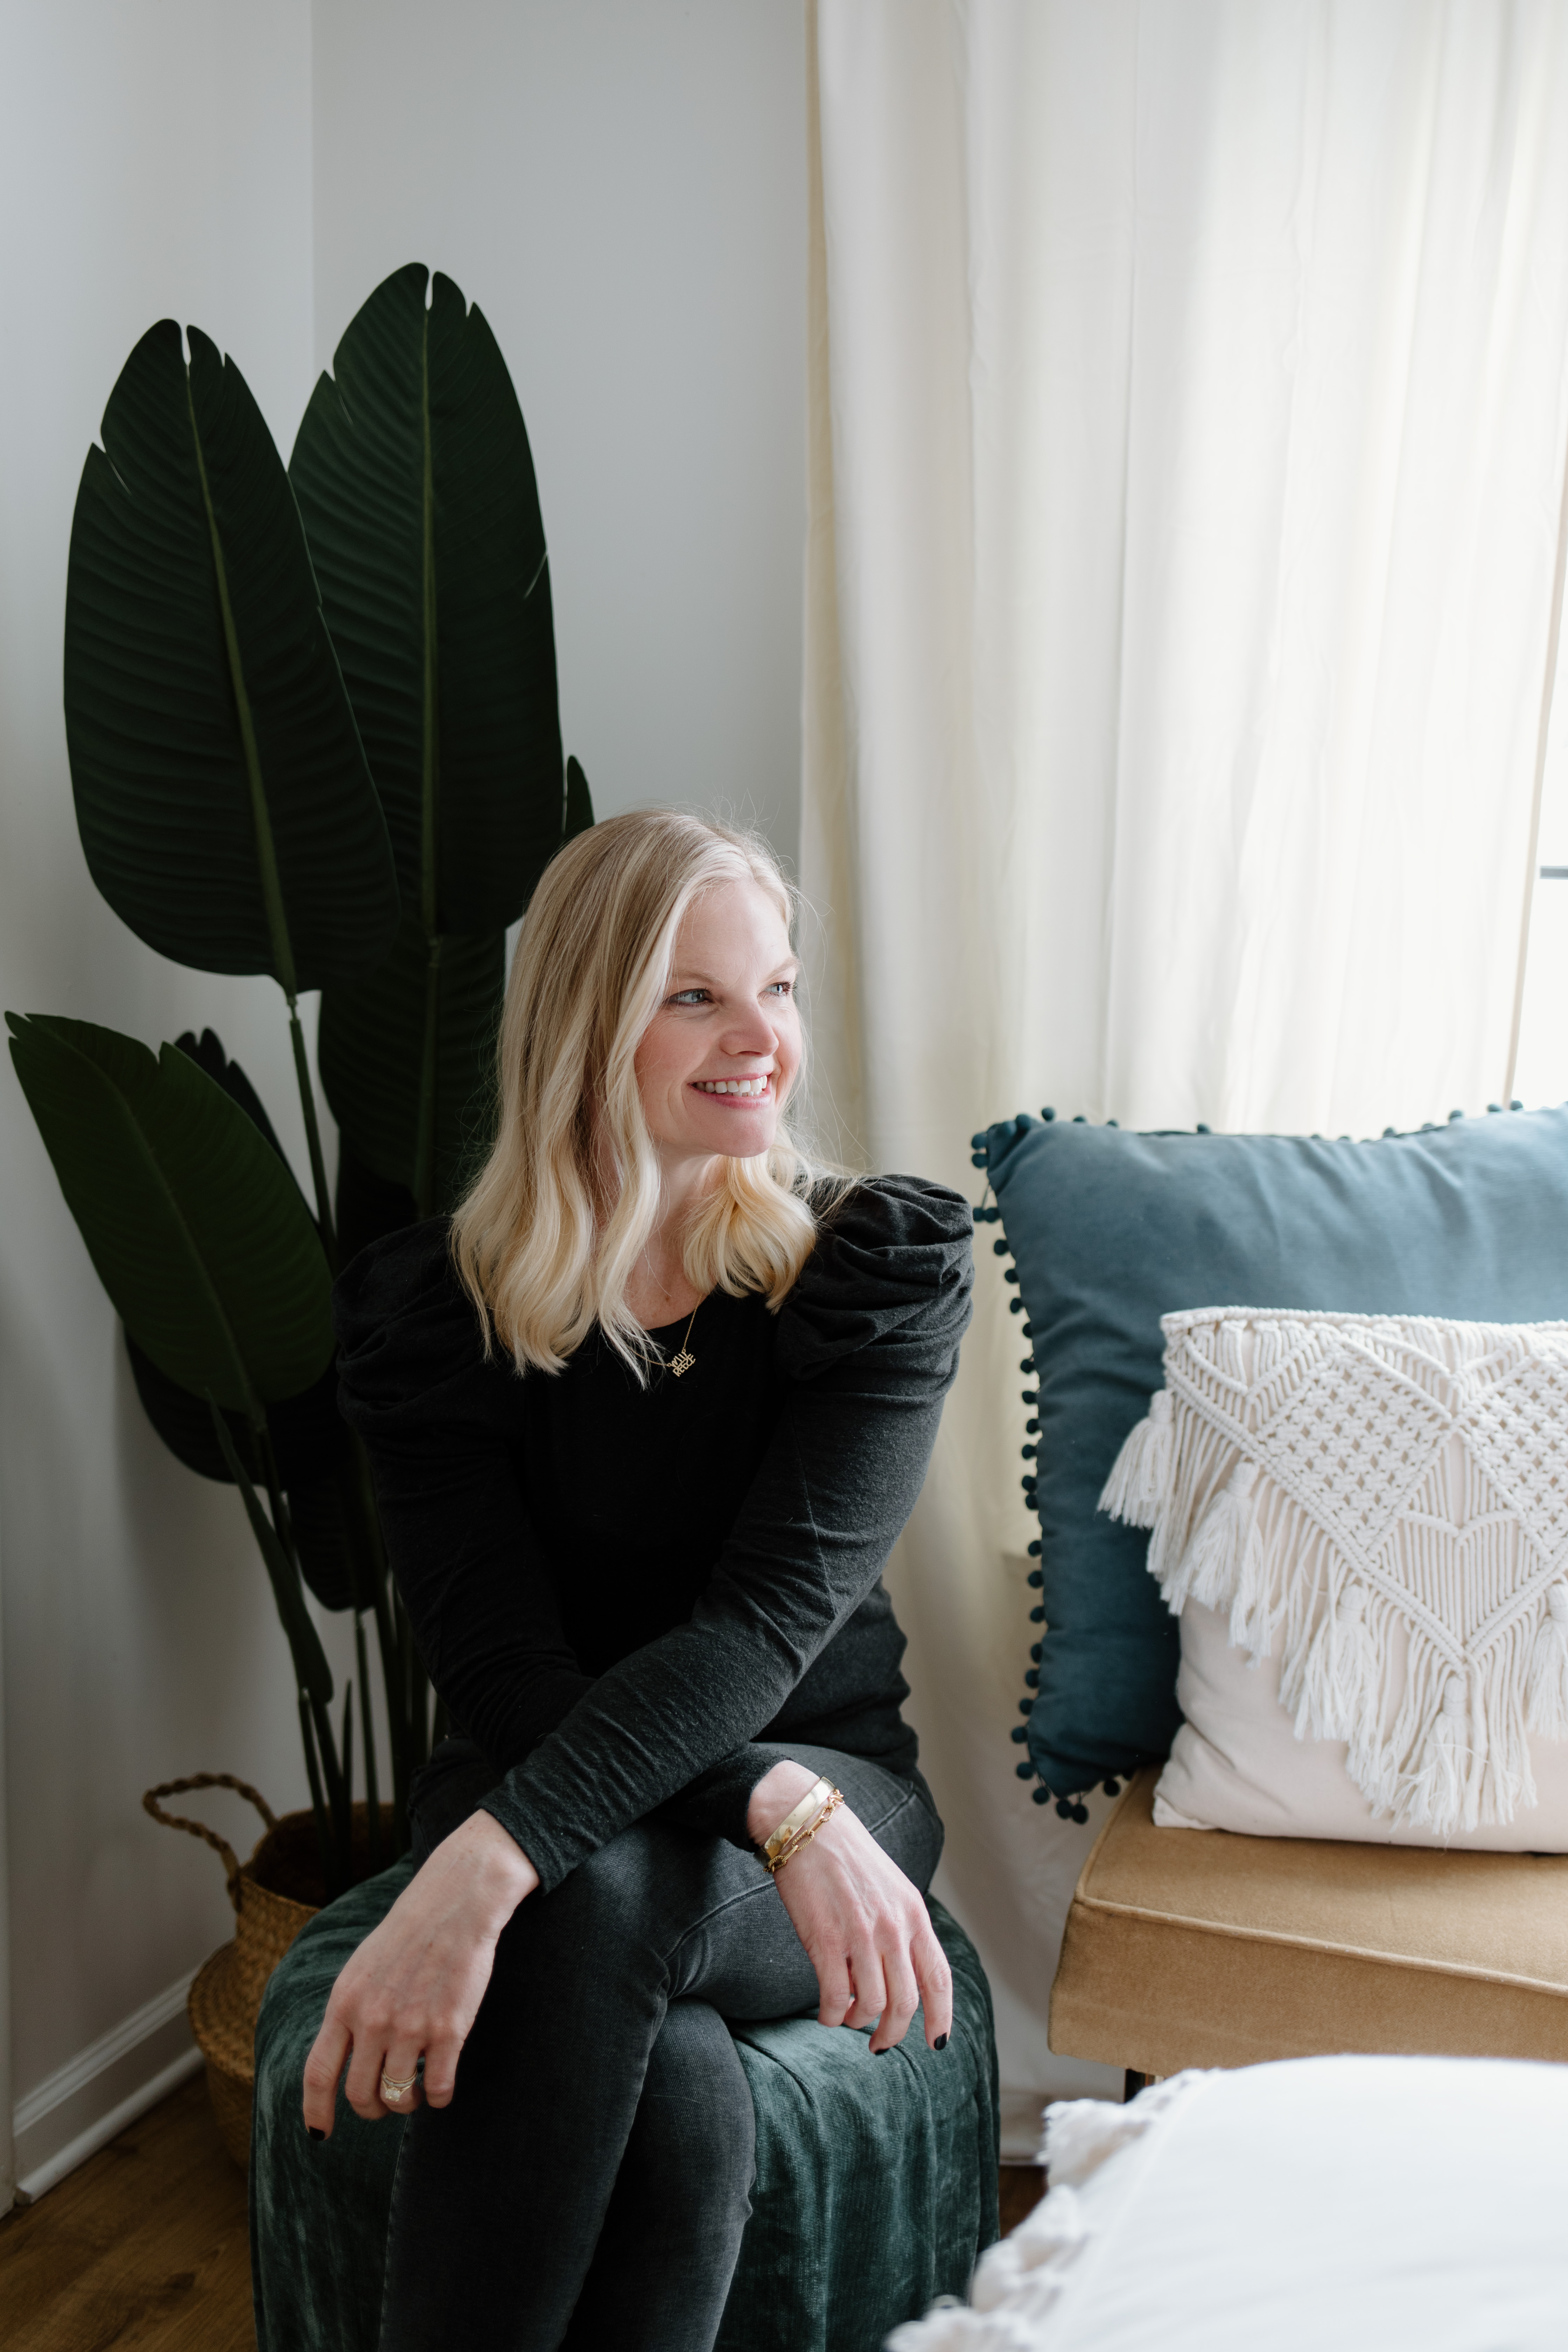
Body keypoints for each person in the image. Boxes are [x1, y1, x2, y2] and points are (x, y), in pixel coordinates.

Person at [302, 808, 974, 2350]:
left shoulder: (867, 1272)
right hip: (628, 1784)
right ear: (586, 1028)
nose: (762, 1041)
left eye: (781, 990)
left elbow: (759, 1632)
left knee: (578, 1898)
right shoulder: (438, 1314)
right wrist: (750, 1805)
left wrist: (487, 1863)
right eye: (698, 998)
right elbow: (496, 1660)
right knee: (662, 2077)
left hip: (830, 1785)